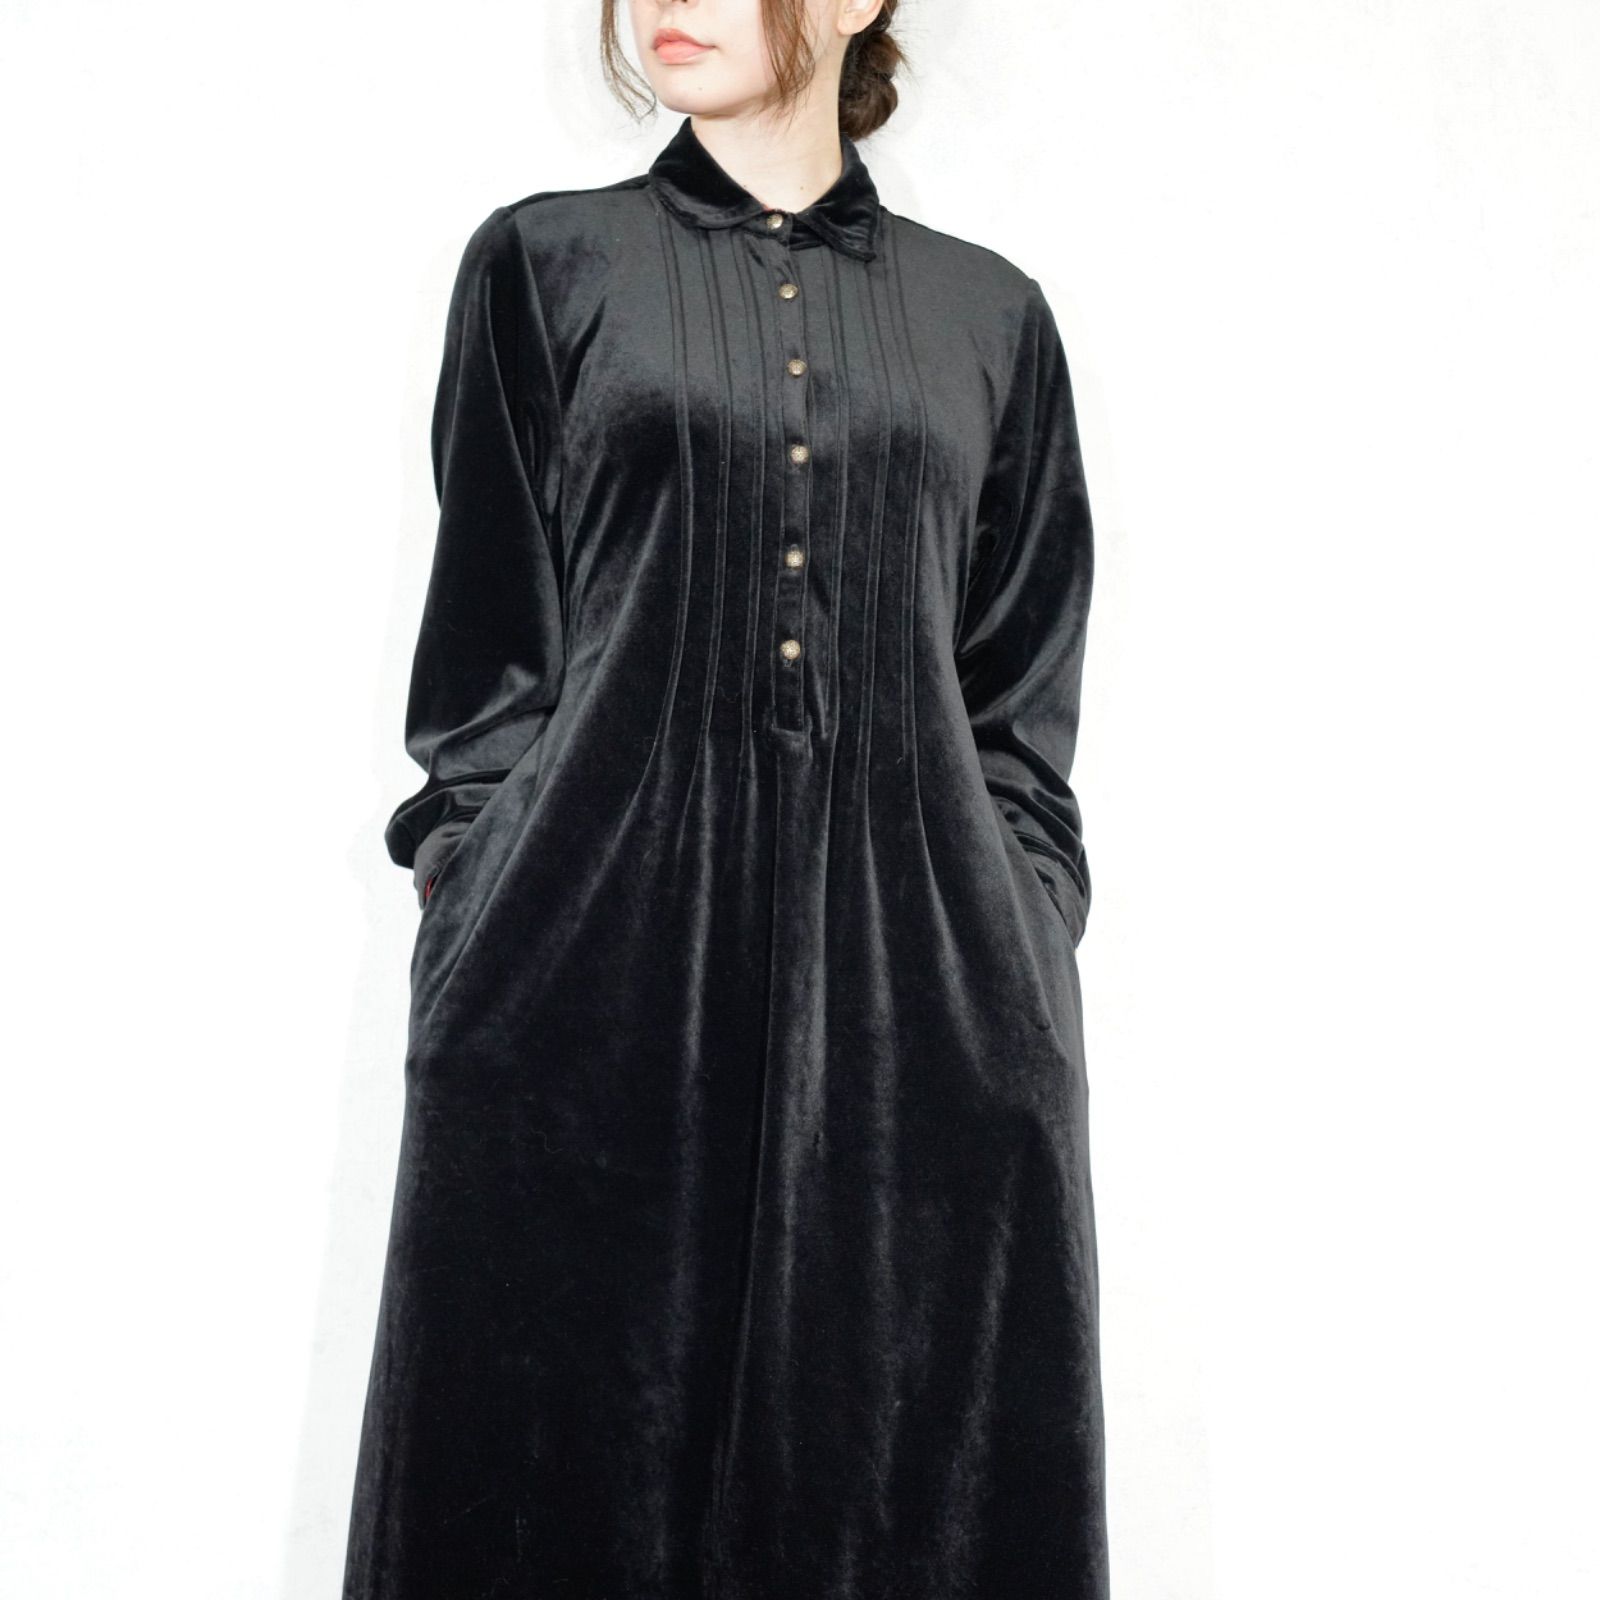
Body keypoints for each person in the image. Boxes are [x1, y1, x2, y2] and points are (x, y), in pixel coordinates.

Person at [343, 2, 1108, 1595]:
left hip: (922, 1024)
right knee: (552, 1497)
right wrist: (478, 900)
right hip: (580, 1003)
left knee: (900, 1499)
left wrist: (1019, 941)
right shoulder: (546, 267)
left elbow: (1019, 709)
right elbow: (484, 666)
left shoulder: (992, 317)